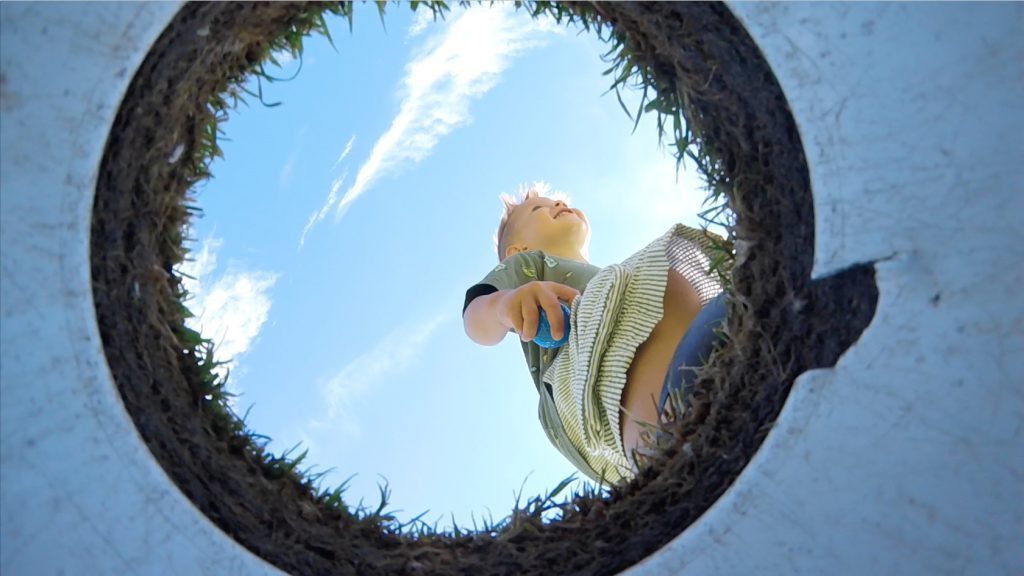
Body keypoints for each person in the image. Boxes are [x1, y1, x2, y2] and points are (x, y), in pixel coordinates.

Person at [462, 182, 728, 483]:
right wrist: (503, 305)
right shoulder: (527, 266)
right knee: (663, 274)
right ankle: (662, 446)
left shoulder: (617, 278)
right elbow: (476, 320)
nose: (557, 205)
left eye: (558, 201)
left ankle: (711, 373)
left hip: (640, 336)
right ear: (518, 250)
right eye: (539, 209)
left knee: (668, 279)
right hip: (575, 370)